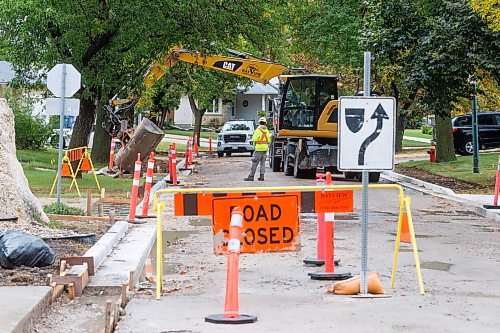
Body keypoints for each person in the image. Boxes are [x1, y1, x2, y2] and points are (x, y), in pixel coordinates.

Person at [244, 117, 270, 181]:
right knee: (262, 164)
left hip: (259, 149)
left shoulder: (258, 130)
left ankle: (251, 176)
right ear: (265, 123)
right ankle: (262, 177)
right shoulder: (266, 130)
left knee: (254, 163)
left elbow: (254, 139)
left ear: (259, 123)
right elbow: (269, 140)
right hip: (265, 149)